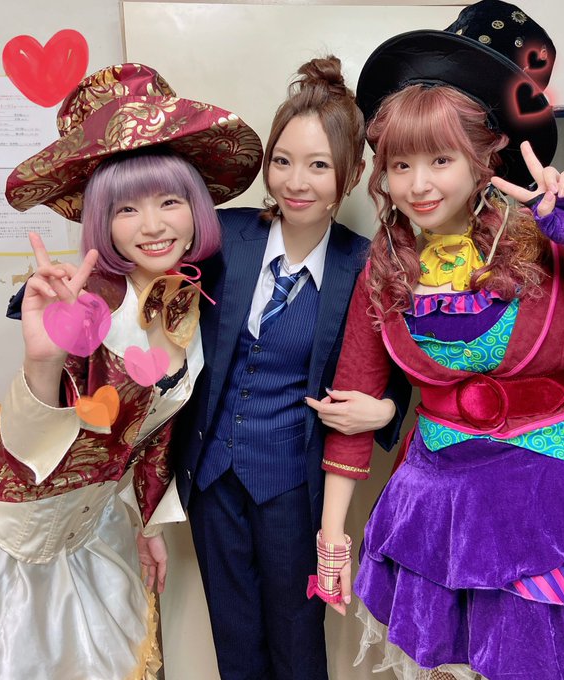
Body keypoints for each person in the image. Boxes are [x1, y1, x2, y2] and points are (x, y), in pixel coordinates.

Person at [309, 2, 564, 679]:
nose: (419, 185)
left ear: (484, 156)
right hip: (439, 511)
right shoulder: (385, 265)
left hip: (552, 498)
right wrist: (331, 539)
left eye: (440, 159)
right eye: (400, 165)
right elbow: (351, 399)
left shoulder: (549, 234)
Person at [0, 63, 261, 680]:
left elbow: (156, 436)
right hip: (21, 542)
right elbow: (24, 448)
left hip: (104, 530)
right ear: (101, 220)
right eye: (126, 209)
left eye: (170, 201)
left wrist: (149, 523)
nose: (153, 226)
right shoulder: (84, 305)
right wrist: (42, 361)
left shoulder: (190, 303)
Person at [171, 55, 411, 680]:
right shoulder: (223, 237)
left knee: (298, 643)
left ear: (350, 176)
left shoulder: (364, 266)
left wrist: (385, 408)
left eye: (318, 165)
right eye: (282, 161)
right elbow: (144, 277)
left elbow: (409, 365)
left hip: (294, 486)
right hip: (212, 476)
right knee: (233, 638)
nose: (295, 181)